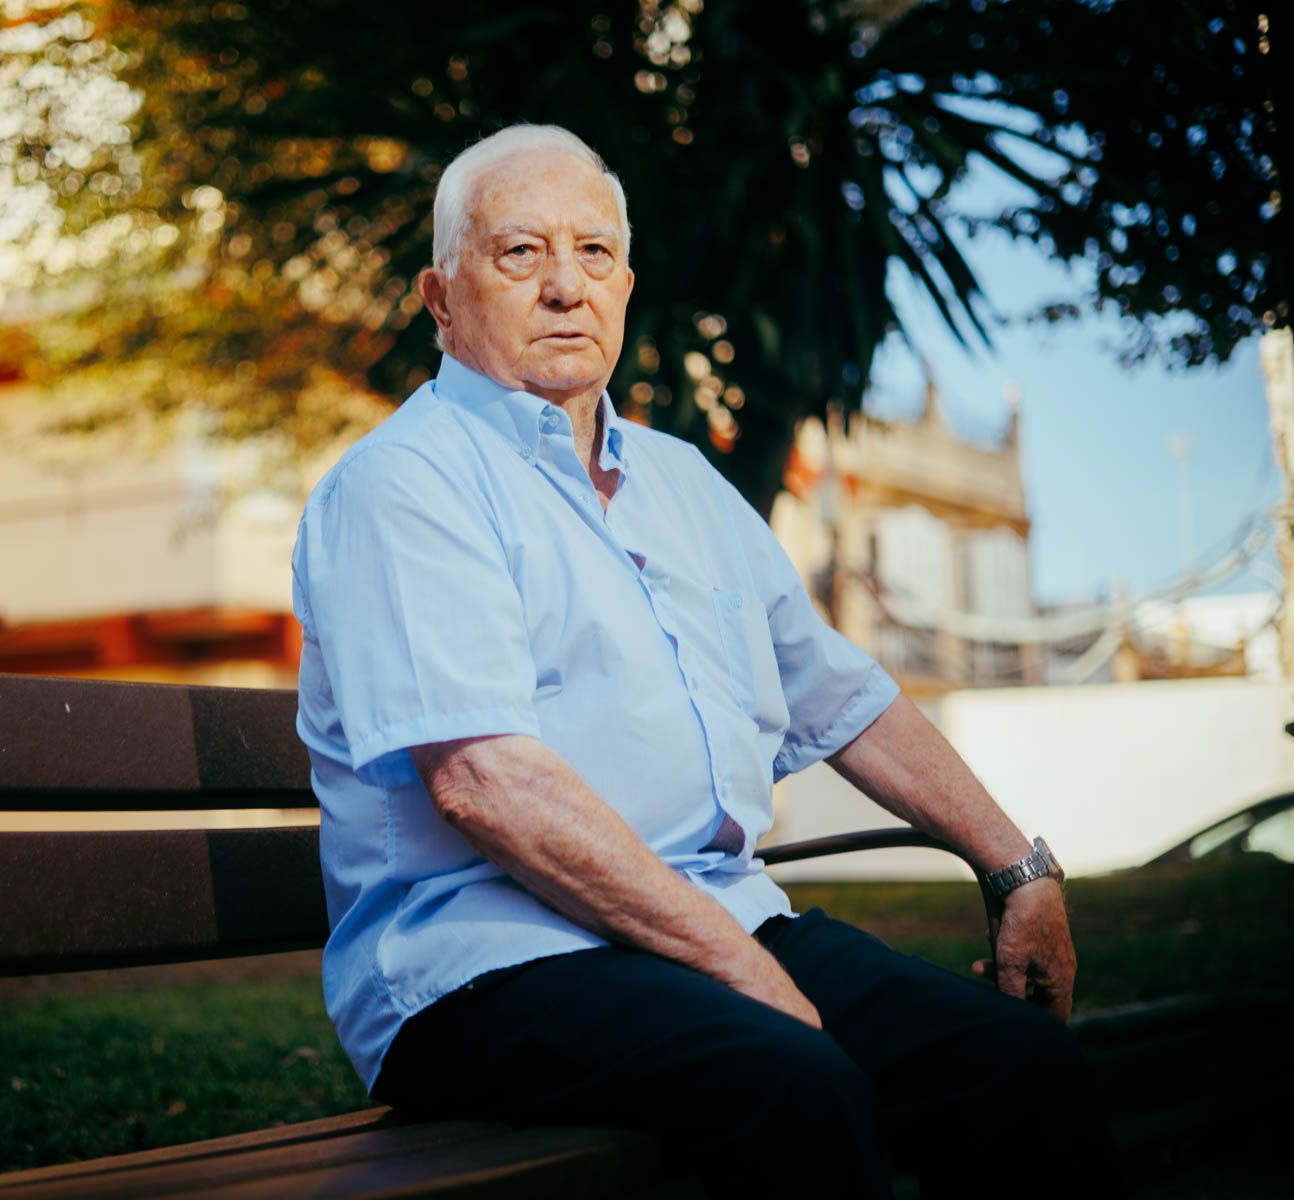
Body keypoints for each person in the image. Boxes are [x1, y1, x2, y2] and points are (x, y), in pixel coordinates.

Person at [290, 124, 1116, 1197]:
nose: (563, 288)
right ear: (442, 299)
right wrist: (740, 972)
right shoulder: (405, 483)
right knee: (792, 1086)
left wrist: (1017, 868)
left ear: (625, 287)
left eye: (592, 255)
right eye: (519, 253)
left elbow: (839, 694)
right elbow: (486, 782)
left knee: (1022, 1067)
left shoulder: (680, 481)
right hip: (488, 970)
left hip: (717, 921)